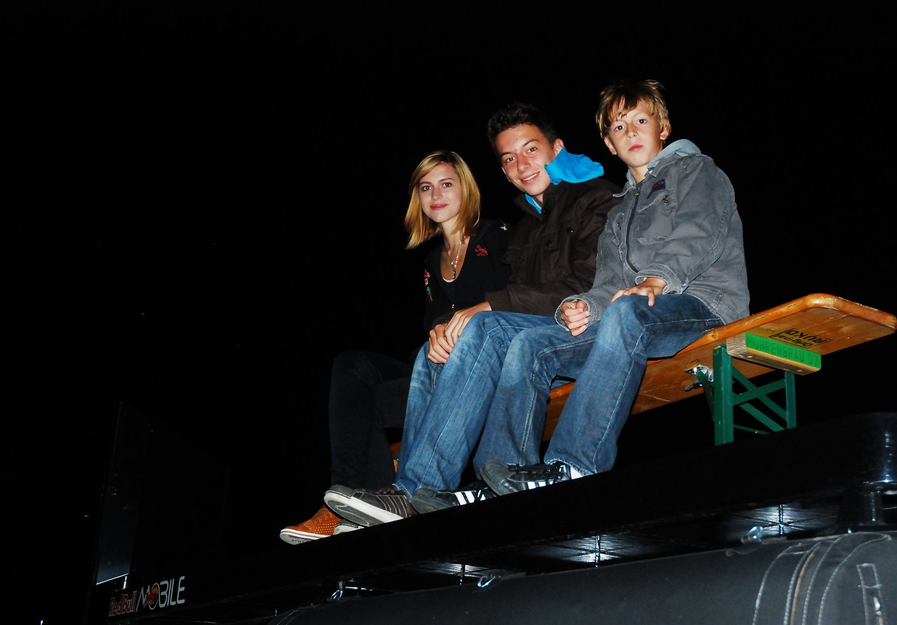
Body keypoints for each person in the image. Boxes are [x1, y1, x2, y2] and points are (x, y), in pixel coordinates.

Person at [323, 103, 621, 526]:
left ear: (557, 148)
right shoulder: (526, 227)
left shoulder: (589, 199)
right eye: (509, 158)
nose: (521, 165)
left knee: (480, 326)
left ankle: (414, 489)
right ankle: (398, 495)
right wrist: (442, 329)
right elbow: (513, 300)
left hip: (582, 330)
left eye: (531, 149)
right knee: (426, 353)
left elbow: (586, 285)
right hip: (529, 334)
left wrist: (486, 306)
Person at [478, 78, 749, 494]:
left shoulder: (696, 170)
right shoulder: (619, 211)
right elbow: (608, 284)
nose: (631, 132)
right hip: (640, 316)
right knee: (532, 343)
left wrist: (656, 280)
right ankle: (503, 476)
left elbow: (699, 233)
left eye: (641, 121)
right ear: (609, 143)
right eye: (619, 127)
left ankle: (575, 464)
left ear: (663, 127)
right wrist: (584, 306)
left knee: (628, 311)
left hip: (704, 302)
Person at [279, 150, 511, 543]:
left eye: (446, 184)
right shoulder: (433, 259)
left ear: (466, 189)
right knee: (352, 368)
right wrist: (438, 329)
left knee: (372, 399)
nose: (435, 194)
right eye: (426, 187)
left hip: (481, 369)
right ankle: (348, 500)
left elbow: (517, 299)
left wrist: (467, 320)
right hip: (435, 365)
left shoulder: (495, 236)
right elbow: (434, 319)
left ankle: (366, 506)